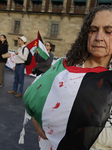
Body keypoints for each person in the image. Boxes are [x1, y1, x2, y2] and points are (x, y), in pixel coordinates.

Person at [23, 5, 112, 150]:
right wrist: (36, 118)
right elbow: (36, 95)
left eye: (108, 31)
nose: (98, 37)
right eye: (93, 30)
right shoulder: (64, 65)